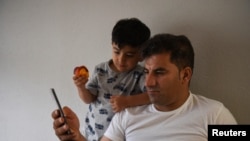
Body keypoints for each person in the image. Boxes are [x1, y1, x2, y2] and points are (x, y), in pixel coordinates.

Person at [52, 33, 237, 141]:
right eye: (147, 72)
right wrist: (75, 137)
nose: (148, 83)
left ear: (185, 74)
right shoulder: (127, 116)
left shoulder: (214, 115)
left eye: (159, 72)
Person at [72, 18, 151, 141]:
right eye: (116, 51)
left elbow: (151, 96)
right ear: (111, 46)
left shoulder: (140, 74)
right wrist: (81, 87)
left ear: (142, 55)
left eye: (129, 55)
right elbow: (89, 99)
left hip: (120, 135)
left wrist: (127, 101)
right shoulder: (100, 70)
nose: (121, 59)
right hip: (92, 133)